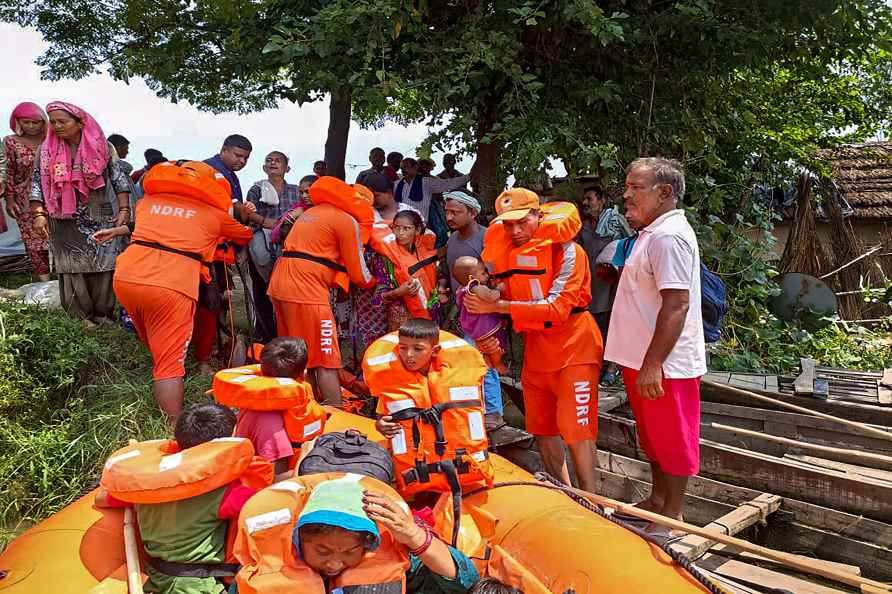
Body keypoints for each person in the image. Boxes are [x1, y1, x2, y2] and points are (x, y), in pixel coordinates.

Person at [94, 160, 254, 421]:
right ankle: (174, 428)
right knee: (168, 364)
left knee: (158, 346)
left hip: (127, 278)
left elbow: (155, 227)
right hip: (172, 284)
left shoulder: (146, 203)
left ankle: (164, 377)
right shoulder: (214, 215)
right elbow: (244, 235)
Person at [466, 188, 602, 493]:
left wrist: (496, 305)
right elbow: (498, 294)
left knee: (577, 430)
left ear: (538, 215)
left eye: (521, 223)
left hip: (575, 346)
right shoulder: (507, 257)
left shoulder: (569, 252)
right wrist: (485, 296)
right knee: (542, 427)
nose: (515, 231)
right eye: (507, 225)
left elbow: (557, 307)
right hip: (537, 350)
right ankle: (566, 493)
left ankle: (593, 501)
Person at [604, 157, 705, 531]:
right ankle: (658, 500)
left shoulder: (669, 236)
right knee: (654, 437)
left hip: (665, 363)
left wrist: (652, 363)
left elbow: (677, 304)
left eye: (635, 188)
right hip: (642, 359)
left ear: (664, 193)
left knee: (674, 439)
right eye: (627, 186)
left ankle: (673, 515)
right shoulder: (651, 232)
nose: (626, 195)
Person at [98, 402, 274, 594]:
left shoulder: (144, 487)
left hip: (157, 579)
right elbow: (268, 510)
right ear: (225, 444)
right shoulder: (226, 492)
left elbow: (102, 499)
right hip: (199, 586)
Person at [232, 472, 479, 594]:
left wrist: (414, 536)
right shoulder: (266, 565)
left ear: (367, 546)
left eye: (350, 552)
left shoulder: (390, 553)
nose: (334, 563)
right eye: (322, 551)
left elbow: (464, 581)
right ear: (298, 541)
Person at [267, 176, 376, 407]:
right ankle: (336, 416)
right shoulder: (346, 220)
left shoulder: (311, 212)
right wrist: (376, 283)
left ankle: (303, 407)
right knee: (327, 358)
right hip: (306, 289)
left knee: (298, 354)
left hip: (280, 283)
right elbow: (360, 274)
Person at [29, 101, 131, 326]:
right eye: (52, 122)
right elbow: (37, 181)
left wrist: (124, 209)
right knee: (70, 264)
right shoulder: (45, 150)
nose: (56, 126)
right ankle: (80, 316)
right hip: (62, 215)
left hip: (99, 212)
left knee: (103, 263)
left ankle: (103, 314)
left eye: (62, 121)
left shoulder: (104, 147)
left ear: (79, 122)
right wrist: (38, 213)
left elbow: (119, 179)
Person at [441, 190, 509, 438]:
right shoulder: (452, 241)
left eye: (455, 212)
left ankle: (493, 412)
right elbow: (446, 271)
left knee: (484, 362)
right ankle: (476, 411)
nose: (449, 216)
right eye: (447, 211)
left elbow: (496, 276)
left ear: (473, 212)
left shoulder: (488, 239)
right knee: (470, 363)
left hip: (485, 314)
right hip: (464, 313)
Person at [216, 336, 324, 480]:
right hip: (266, 487)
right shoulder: (271, 424)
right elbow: (274, 478)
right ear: (303, 373)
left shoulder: (258, 399)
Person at [198, 134, 253, 374]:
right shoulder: (209, 172)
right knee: (210, 302)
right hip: (209, 251)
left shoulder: (230, 174)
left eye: (246, 158)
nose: (241, 161)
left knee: (220, 301)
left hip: (222, 249)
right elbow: (223, 213)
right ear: (224, 150)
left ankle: (218, 347)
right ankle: (204, 357)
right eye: (237, 155)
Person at [243, 151, 302, 342]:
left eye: (278, 161)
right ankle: (265, 333)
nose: (273, 163)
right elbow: (248, 214)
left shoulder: (296, 190)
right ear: (263, 168)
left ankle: (291, 331)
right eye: (269, 160)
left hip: (289, 239)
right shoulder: (257, 189)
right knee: (260, 262)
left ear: (287, 168)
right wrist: (268, 223)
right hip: (263, 235)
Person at [577, 185, 631, 385]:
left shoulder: (616, 224)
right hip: (591, 286)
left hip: (613, 284)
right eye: (584, 200)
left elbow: (633, 245)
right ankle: (594, 366)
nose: (585, 203)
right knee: (593, 329)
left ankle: (612, 368)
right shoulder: (583, 228)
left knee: (614, 325)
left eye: (589, 199)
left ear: (601, 200)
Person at [371, 209, 440, 330]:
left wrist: (442, 287)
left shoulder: (425, 252)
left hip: (430, 314)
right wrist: (399, 292)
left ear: (417, 230)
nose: (400, 233)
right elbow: (377, 299)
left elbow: (439, 276)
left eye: (406, 229)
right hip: (402, 323)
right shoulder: (385, 259)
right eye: (396, 228)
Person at [4, 102, 50, 281]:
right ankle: (45, 282)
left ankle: (65, 279)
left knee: (59, 236)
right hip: (25, 198)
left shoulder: (52, 140)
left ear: (43, 122)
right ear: (17, 122)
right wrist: (9, 199)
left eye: (35, 122)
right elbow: (9, 172)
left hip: (57, 196)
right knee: (34, 240)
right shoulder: (10, 142)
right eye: (25, 122)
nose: (30, 126)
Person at [451, 256, 508, 373]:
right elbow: (491, 297)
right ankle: (497, 364)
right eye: (483, 273)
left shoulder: (461, 289)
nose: (487, 275)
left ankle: (489, 361)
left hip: (474, 328)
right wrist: (499, 289)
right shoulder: (475, 287)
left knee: (487, 348)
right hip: (484, 327)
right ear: (472, 278)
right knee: (495, 346)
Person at [394, 157, 470, 224]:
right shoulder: (397, 184)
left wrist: (468, 177)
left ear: (415, 167)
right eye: (402, 168)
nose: (403, 170)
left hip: (420, 224)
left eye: (406, 167)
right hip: (401, 224)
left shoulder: (427, 182)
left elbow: (448, 184)